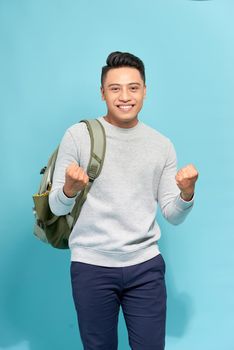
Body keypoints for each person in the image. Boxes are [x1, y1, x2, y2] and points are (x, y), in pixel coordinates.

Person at [49, 51, 199, 350]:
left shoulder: (161, 145)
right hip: (91, 266)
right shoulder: (78, 136)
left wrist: (186, 193)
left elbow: (172, 214)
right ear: (103, 93)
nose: (125, 96)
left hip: (145, 266)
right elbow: (55, 207)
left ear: (145, 90)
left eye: (133, 87)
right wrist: (68, 189)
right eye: (115, 88)